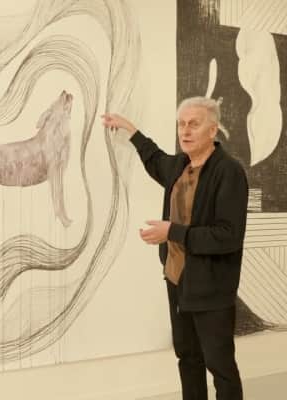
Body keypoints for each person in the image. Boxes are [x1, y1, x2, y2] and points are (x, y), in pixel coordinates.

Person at [101, 97, 248, 400]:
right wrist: (130, 129)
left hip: (211, 288)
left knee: (220, 366)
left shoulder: (228, 172)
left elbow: (228, 236)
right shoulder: (180, 166)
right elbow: (154, 158)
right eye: (181, 124)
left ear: (213, 130)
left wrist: (172, 231)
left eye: (194, 124)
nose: (185, 131)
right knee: (188, 358)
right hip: (177, 282)